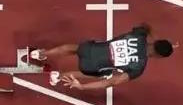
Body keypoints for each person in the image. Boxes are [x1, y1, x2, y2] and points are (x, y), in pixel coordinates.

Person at [32, 23, 175, 92]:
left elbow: (146, 27)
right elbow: (112, 82)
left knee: (72, 48)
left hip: (92, 48)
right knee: (100, 75)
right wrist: (82, 87)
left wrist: (160, 42)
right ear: (159, 57)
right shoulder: (139, 67)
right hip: (92, 66)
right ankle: (59, 76)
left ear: (156, 42)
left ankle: (41, 54)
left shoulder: (140, 35)